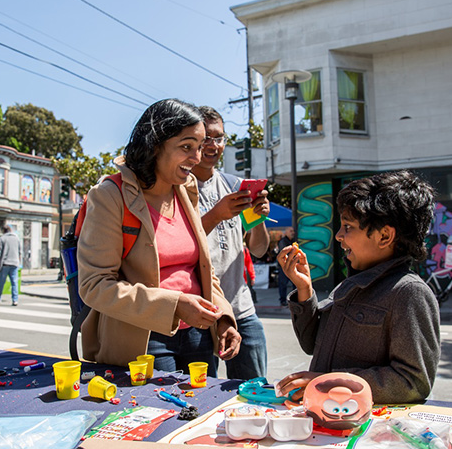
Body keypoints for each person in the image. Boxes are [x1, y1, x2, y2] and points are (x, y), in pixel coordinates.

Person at [78, 98, 241, 373]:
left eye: (199, 148)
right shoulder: (110, 196)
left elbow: (201, 268)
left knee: (200, 413)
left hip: (199, 336)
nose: (197, 158)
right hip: (143, 340)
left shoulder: (185, 190)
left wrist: (223, 316)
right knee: (161, 415)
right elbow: (94, 285)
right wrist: (174, 305)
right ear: (154, 145)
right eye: (186, 147)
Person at [275, 170, 440, 404]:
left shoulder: (408, 292)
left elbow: (413, 382)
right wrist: (304, 290)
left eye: (348, 227)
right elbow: (311, 344)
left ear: (384, 236)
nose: (340, 236)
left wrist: (329, 382)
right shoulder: (354, 282)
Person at [191, 105, 269, 380]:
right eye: (206, 138)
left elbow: (259, 248)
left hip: (241, 309)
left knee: (255, 395)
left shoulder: (235, 185)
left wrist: (257, 217)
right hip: (197, 313)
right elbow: (179, 245)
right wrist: (216, 214)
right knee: (198, 401)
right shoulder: (178, 187)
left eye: (220, 138)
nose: (214, 145)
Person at [0, 225, 21, 306]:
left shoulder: (2, 239)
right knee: (14, 282)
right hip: (15, 263)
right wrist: (18, 261)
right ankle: (15, 299)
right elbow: (20, 251)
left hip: (5, 263)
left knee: (1, 282)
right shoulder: (17, 239)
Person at [276, 227, 296, 306]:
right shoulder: (283, 241)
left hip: (291, 266)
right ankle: (283, 300)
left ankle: (294, 300)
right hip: (284, 266)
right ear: (286, 233)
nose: (293, 232)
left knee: (295, 283)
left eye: (293, 231)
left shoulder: (293, 241)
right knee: (283, 284)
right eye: (291, 231)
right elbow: (284, 253)